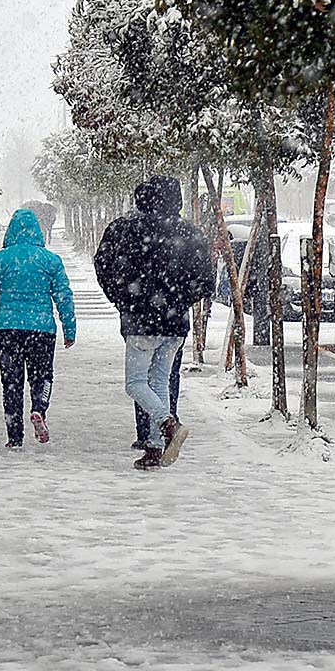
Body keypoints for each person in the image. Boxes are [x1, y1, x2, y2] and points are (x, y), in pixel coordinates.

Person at [94, 175, 216, 470]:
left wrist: (124, 300)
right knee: (159, 380)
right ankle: (154, 447)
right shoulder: (191, 234)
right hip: (174, 324)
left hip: (140, 321)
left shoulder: (124, 229)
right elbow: (206, 280)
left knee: (135, 383)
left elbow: (103, 264)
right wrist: (179, 301)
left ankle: (167, 424)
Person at [0, 209, 75, 448]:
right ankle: (39, 408)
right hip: (41, 329)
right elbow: (63, 296)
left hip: (6, 328)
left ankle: (14, 436)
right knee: (43, 376)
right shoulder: (50, 261)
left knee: (11, 382)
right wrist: (69, 328)